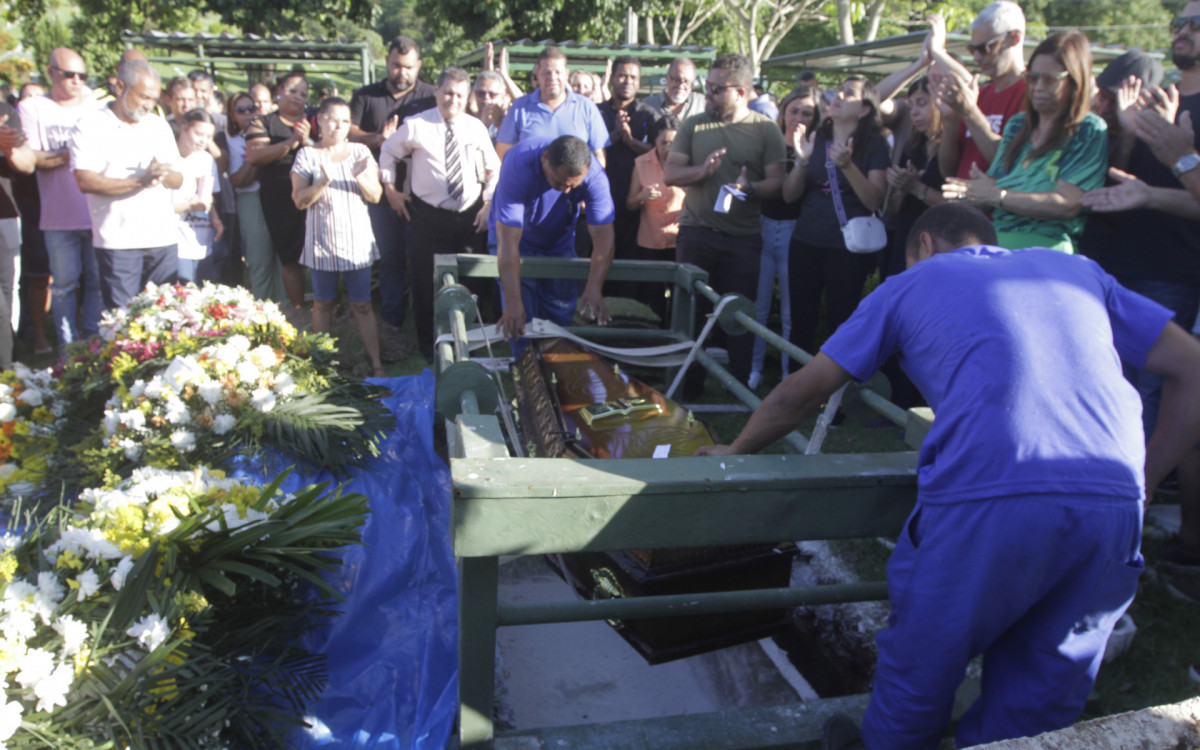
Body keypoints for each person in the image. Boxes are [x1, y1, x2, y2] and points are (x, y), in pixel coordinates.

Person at [699, 201, 1200, 750]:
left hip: (988, 499)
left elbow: (802, 391)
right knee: (1039, 702)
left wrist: (737, 447)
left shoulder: (912, 282)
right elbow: (1192, 368)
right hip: (1112, 505)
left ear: (925, 248)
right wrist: (1144, 482)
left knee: (920, 673)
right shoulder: (1080, 271)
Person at [1079, 2, 1200, 578]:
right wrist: (1132, 145)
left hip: (1174, 271)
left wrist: (1183, 158)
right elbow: (1146, 184)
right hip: (1129, 261)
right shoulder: (1162, 100)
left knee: (1155, 397)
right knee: (1116, 387)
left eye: (1195, 22)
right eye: (1178, 21)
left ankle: (1129, 516)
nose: (1182, 31)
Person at [663, 52, 786, 398]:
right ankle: (687, 389)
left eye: (718, 88)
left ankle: (740, 389)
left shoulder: (765, 130)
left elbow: (778, 182)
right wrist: (701, 173)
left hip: (743, 238)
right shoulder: (694, 124)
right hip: (696, 233)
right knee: (690, 314)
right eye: (709, 86)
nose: (710, 93)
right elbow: (670, 173)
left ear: (742, 91)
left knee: (738, 316)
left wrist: (751, 188)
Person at [942, 31, 1108, 253]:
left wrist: (997, 195)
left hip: (1049, 253)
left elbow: (1067, 205)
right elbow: (990, 190)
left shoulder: (1088, 129)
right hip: (997, 245)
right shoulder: (1017, 125)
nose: (1038, 86)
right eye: (1032, 77)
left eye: (1050, 79)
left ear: (1075, 80)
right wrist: (969, 192)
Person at [379, 67, 500, 360]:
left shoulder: (475, 127)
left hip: (470, 216)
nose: (453, 100)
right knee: (425, 281)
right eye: (447, 93)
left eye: (459, 95)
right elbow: (388, 152)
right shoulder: (416, 125)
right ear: (436, 91)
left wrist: (487, 205)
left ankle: (467, 344)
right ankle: (430, 346)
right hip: (429, 217)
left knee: (471, 281)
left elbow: (493, 169)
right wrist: (390, 189)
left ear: (467, 96)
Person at [783, 76, 889, 361]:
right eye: (838, 90)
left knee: (842, 323)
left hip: (848, 249)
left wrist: (848, 166)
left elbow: (874, 200)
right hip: (805, 241)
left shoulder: (875, 146)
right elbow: (790, 195)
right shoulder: (817, 137)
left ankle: (837, 400)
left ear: (865, 109)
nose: (838, 95)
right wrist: (801, 160)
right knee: (801, 321)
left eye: (849, 93)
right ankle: (796, 392)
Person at [70, 59, 183, 311]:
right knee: (123, 320)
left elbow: (179, 179)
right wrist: (140, 181)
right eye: (143, 96)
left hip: (161, 237)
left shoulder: (158, 125)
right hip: (118, 242)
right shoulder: (90, 125)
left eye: (153, 99)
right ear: (120, 87)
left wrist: (163, 174)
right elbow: (85, 180)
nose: (148, 105)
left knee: (165, 316)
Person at [291, 97, 385, 377]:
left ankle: (377, 363)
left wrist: (360, 177)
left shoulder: (360, 152)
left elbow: (376, 196)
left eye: (345, 121)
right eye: (333, 119)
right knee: (322, 304)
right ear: (319, 120)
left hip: (356, 243)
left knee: (363, 304)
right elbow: (299, 200)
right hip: (322, 242)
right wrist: (321, 183)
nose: (339, 126)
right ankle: (323, 364)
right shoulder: (306, 155)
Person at [17, 46, 104, 350]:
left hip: (97, 211)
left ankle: (93, 346)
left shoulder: (97, 107)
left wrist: (62, 156)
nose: (77, 81)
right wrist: (74, 152)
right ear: (51, 71)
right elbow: (34, 159)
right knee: (65, 287)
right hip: (57, 215)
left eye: (83, 75)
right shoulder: (34, 108)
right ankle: (69, 351)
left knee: (97, 284)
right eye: (69, 74)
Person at [350, 35, 437, 335]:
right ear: (385, 63)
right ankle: (392, 323)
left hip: (422, 196)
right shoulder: (366, 96)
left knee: (423, 260)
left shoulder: (430, 95)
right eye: (396, 66)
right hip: (378, 195)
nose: (402, 73)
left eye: (409, 67)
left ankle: (428, 324)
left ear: (419, 65)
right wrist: (376, 139)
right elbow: (348, 132)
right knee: (390, 261)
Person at [492, 135, 615, 343]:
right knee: (521, 320)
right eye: (559, 184)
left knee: (560, 317)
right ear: (545, 158)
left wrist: (594, 286)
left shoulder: (594, 176)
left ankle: (556, 368)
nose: (566, 191)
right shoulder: (518, 165)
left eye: (573, 187)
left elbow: (603, 233)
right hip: (515, 240)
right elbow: (508, 240)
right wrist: (513, 301)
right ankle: (525, 370)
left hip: (559, 240)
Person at [749, 86, 820, 390]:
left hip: (797, 231)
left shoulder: (817, 147)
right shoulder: (769, 142)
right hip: (763, 226)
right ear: (783, 112)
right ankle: (753, 370)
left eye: (807, 113)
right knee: (759, 306)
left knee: (792, 310)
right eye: (794, 111)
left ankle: (788, 374)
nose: (799, 118)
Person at [933, 1, 1028, 179]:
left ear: (1014, 38)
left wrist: (970, 113)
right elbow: (948, 171)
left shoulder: (1033, 94)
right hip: (962, 204)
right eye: (972, 49)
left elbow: (1009, 164)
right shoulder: (979, 94)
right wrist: (951, 120)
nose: (976, 57)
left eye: (985, 48)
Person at [245, 71, 311, 314]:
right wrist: (292, 141)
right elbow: (255, 155)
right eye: (292, 91)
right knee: (290, 258)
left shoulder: (315, 119)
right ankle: (298, 311)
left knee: (323, 259)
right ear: (279, 92)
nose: (297, 97)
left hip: (316, 196)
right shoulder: (262, 122)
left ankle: (329, 309)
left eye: (303, 93)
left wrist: (308, 141)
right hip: (280, 200)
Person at [598, 56, 655, 301]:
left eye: (633, 77)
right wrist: (614, 135)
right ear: (611, 79)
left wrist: (631, 142)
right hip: (599, 202)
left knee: (628, 270)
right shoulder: (597, 112)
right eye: (622, 75)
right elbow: (587, 148)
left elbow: (658, 152)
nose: (627, 81)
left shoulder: (649, 115)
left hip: (635, 206)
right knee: (598, 262)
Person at [495, 46, 609, 165]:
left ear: (566, 74)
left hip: (574, 182)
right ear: (537, 73)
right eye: (547, 73)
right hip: (532, 182)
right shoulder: (520, 108)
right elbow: (502, 154)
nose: (552, 78)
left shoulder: (587, 107)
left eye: (557, 72)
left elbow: (599, 157)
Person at [882, 76, 946, 278]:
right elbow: (893, 210)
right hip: (907, 239)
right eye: (911, 106)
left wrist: (916, 187)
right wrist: (900, 188)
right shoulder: (912, 147)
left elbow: (958, 205)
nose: (914, 112)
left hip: (941, 244)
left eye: (922, 103)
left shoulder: (954, 146)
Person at [226, 91, 286, 302]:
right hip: (251, 200)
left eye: (252, 108)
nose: (249, 114)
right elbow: (239, 180)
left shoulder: (271, 132)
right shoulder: (231, 141)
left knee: (284, 260)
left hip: (278, 197)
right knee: (259, 260)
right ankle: (262, 312)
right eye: (241, 110)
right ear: (232, 115)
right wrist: (257, 156)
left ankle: (288, 315)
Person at [626, 113, 685, 322]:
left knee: (681, 294)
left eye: (674, 143)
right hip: (650, 240)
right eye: (664, 143)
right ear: (655, 142)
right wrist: (642, 196)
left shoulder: (688, 163)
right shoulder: (641, 163)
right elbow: (630, 204)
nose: (668, 149)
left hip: (679, 240)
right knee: (653, 293)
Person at [12, 82, 51, 356]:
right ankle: (31, 331)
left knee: (46, 277)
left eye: (40, 98)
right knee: (32, 275)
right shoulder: (14, 136)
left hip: (55, 208)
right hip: (28, 208)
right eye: (29, 98)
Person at [0, 97, 36, 369]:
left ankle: (7, 364)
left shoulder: (4, 112)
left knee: (7, 291)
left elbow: (27, 164)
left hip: (6, 214)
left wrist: (9, 148)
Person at [171, 109, 223, 284]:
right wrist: (189, 206)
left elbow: (207, 198)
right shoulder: (169, 158)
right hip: (176, 244)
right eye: (199, 134)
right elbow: (158, 207)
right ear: (183, 127)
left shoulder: (207, 160)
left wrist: (215, 218)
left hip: (202, 243)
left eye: (209, 137)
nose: (204, 141)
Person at [645, 57, 706, 122]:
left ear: (692, 84)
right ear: (667, 78)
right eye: (677, 80)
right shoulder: (648, 105)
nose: (681, 85)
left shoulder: (702, 104)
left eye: (686, 81)